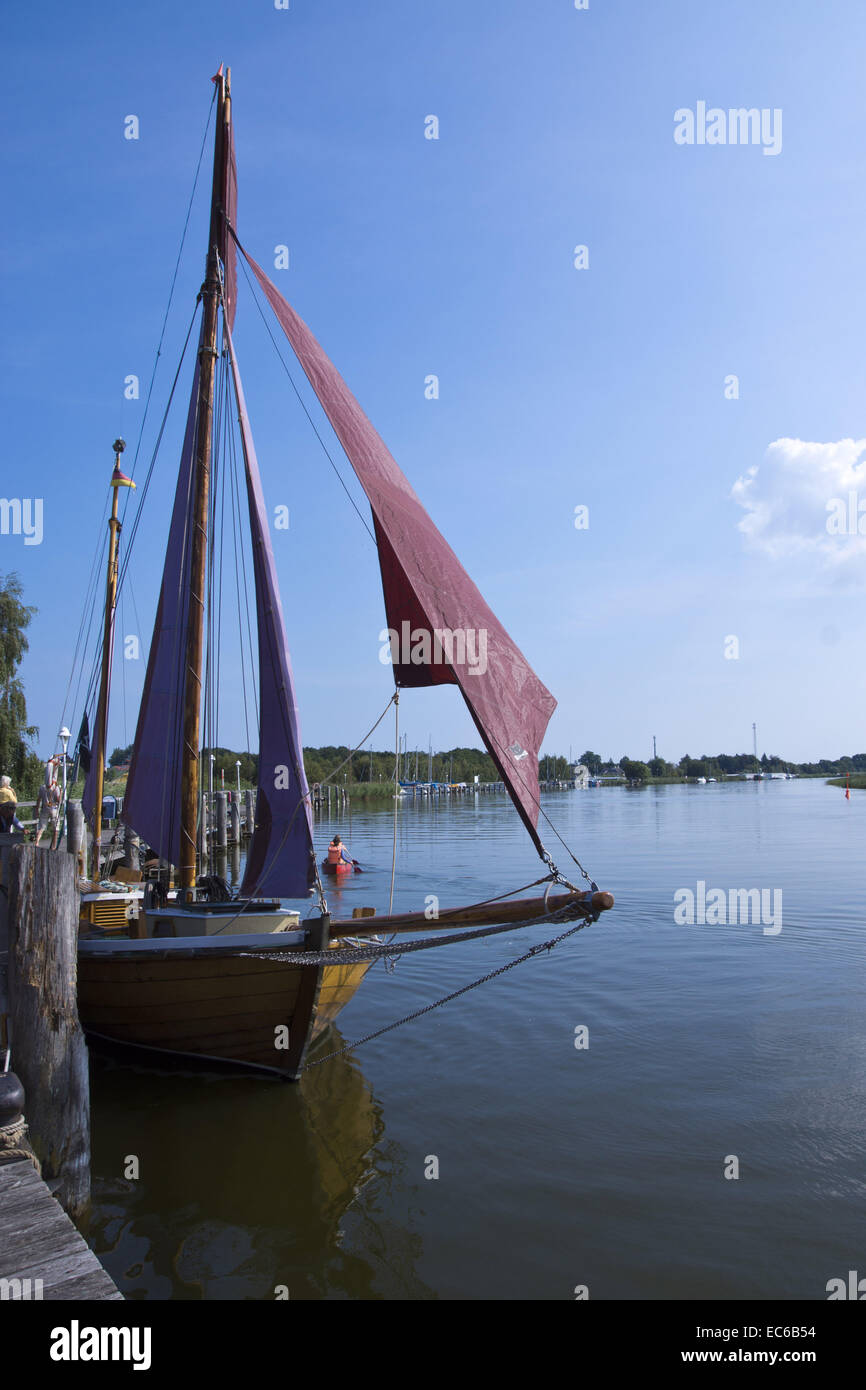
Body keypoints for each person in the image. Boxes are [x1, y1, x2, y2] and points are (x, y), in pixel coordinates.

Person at [35, 775, 62, 848]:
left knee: (41, 827)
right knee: (55, 828)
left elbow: (38, 799)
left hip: (45, 808)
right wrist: (61, 792)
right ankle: (54, 846)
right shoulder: (55, 788)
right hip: (54, 808)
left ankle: (37, 842)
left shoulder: (42, 787)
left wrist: (37, 809)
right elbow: (58, 800)